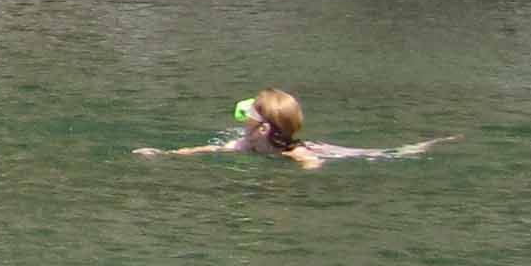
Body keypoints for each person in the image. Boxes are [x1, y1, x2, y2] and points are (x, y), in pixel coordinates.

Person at [136, 87, 445, 169]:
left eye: (249, 115)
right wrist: (166, 154)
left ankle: (423, 146)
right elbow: (210, 149)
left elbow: (311, 161)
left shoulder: (293, 152)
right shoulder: (245, 145)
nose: (242, 120)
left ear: (261, 129)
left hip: (335, 154)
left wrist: (309, 171)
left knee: (386, 154)